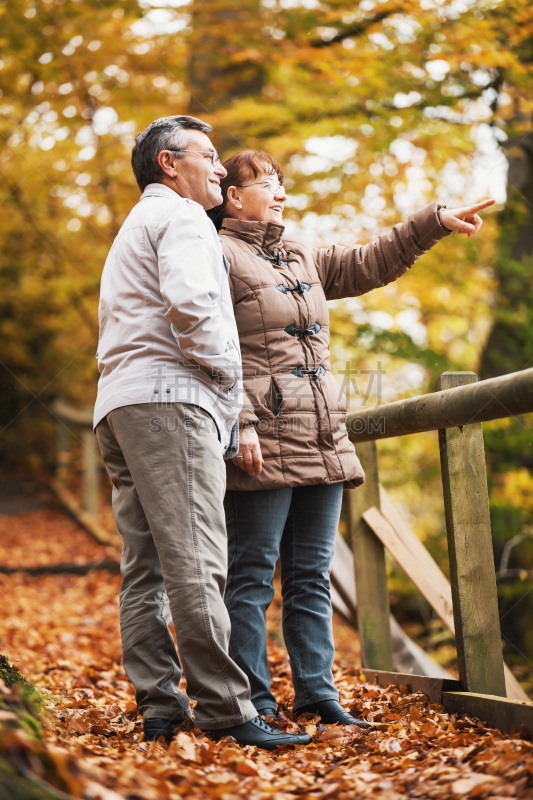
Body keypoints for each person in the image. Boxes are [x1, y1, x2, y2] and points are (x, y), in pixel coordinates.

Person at [208, 149, 494, 725]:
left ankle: (318, 695)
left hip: (321, 437)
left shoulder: (300, 253)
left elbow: (369, 263)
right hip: (261, 439)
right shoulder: (213, 253)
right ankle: (252, 702)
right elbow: (209, 343)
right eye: (267, 183)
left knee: (311, 577)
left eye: (282, 183)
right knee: (251, 578)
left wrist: (432, 222)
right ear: (234, 197)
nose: (280, 193)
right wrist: (238, 421)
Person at [94, 119, 311, 750]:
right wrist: (228, 382)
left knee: (147, 568)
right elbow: (192, 308)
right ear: (169, 163)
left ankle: (160, 707)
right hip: (171, 404)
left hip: (122, 405)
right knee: (197, 563)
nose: (220, 169)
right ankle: (226, 710)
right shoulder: (186, 219)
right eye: (209, 157)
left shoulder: (134, 226)